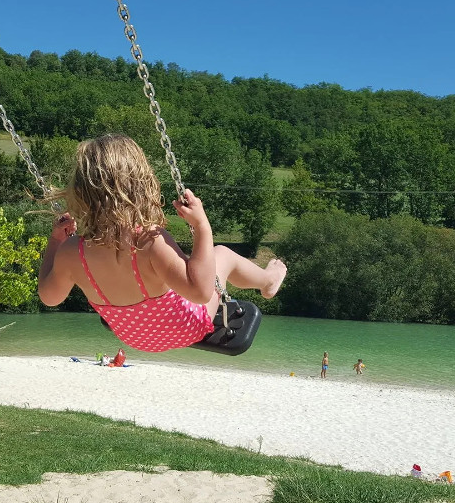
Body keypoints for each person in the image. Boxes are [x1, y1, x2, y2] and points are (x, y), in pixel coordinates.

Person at [37, 134, 287, 353]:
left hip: (133, 337)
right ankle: (268, 282)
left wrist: (56, 240)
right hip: (187, 329)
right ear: (140, 184)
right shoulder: (149, 241)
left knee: (185, 269)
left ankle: (265, 281)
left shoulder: (72, 252)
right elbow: (200, 293)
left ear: (79, 191)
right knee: (221, 254)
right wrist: (202, 227)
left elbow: (50, 298)